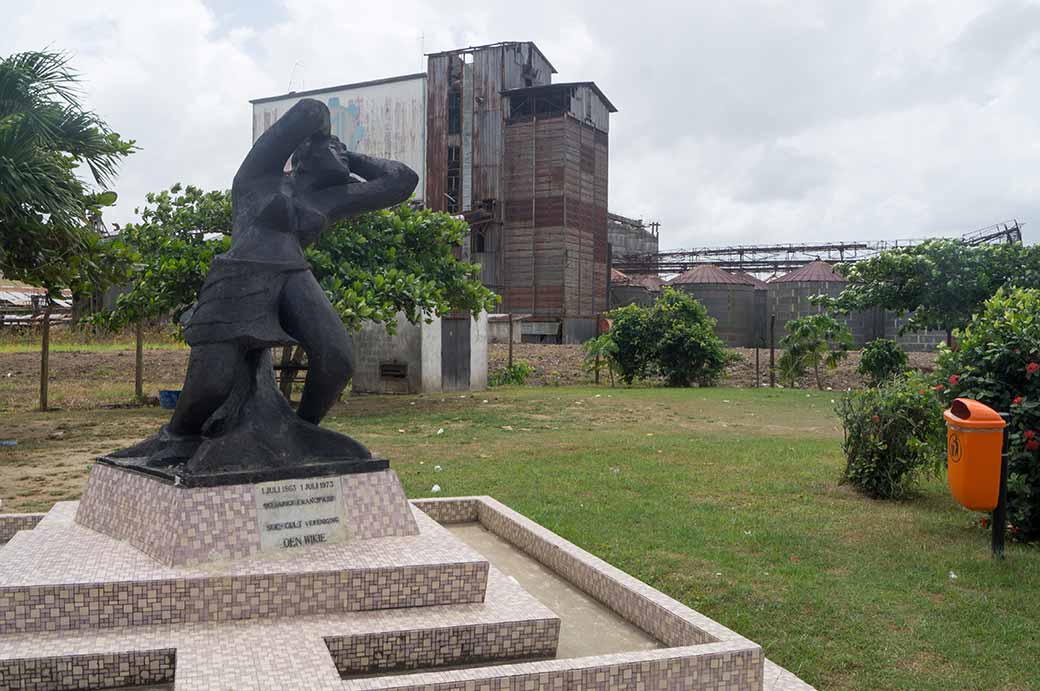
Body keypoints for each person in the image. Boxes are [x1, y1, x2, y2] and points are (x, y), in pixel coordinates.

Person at [155, 98, 417, 463]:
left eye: (347, 152)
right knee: (212, 382)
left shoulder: (330, 199)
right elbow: (309, 111)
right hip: (240, 276)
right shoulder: (257, 177)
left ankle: (300, 433)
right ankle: (177, 436)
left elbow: (401, 181)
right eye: (336, 149)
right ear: (302, 155)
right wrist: (324, 139)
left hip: (294, 277)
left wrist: (346, 156)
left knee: (337, 359)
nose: (344, 155)